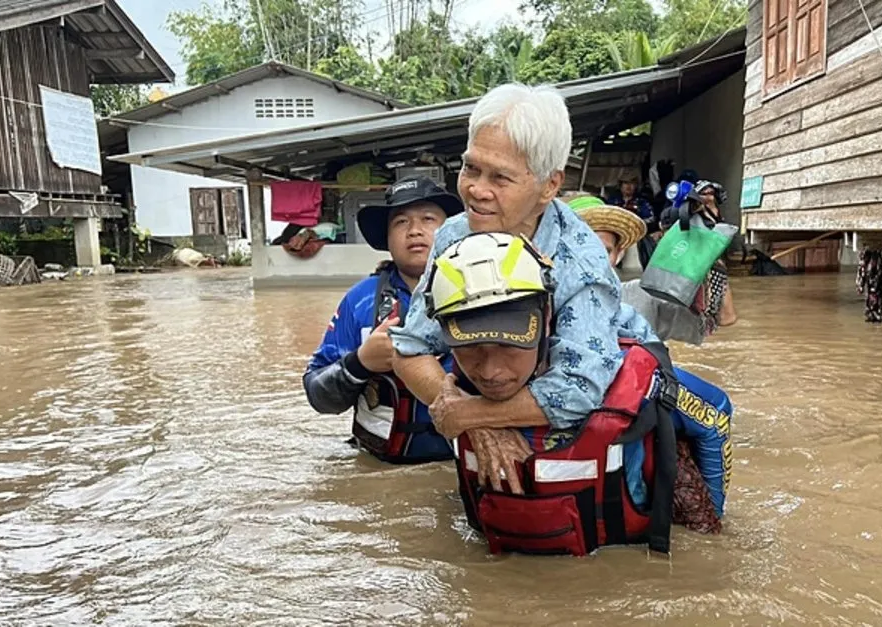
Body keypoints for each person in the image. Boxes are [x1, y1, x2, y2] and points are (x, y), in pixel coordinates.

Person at [421, 231, 734, 556]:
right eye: (469, 349)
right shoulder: (448, 390)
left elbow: (716, 414)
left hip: (620, 566)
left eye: (509, 345)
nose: (490, 371)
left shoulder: (620, 372)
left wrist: (708, 530)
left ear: (546, 319)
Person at [390, 82, 660, 444]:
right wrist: (472, 417)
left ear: (549, 186)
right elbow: (410, 349)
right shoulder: (453, 237)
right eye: (471, 168)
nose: (476, 190)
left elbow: (581, 385)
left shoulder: (579, 257)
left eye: (500, 177)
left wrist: (472, 414)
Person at [303, 175, 463, 464]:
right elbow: (318, 395)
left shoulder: (484, 291)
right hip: (380, 468)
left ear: (452, 230)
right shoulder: (360, 300)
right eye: (401, 222)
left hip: (460, 468)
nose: (414, 231)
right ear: (387, 239)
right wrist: (360, 362)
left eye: (428, 219)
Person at [566, 194, 724, 345]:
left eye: (605, 251)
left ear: (618, 254)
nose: (596, 259)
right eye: (585, 248)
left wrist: (708, 256)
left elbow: (718, 321)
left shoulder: (643, 295)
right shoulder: (547, 303)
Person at [657, 179, 738, 327]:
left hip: (713, 266)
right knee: (696, 315)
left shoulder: (716, 214)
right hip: (692, 267)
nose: (708, 198)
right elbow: (670, 219)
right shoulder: (687, 211)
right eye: (703, 194)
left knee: (725, 317)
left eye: (711, 194)